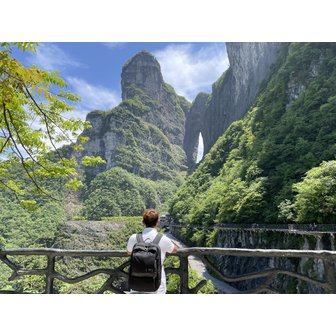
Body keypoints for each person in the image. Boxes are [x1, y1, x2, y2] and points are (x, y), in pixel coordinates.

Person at [127, 208, 178, 294]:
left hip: (137, 284)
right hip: (157, 285)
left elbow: (129, 252)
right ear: (157, 223)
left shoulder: (133, 238)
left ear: (143, 222)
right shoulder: (163, 239)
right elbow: (175, 250)